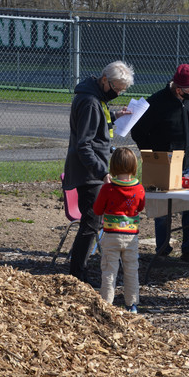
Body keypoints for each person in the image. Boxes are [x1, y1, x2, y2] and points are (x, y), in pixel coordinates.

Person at [63, 60, 134, 284]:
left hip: (93, 171)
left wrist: (113, 115)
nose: (118, 92)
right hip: (89, 174)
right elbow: (84, 144)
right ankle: (77, 275)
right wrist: (102, 171)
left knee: (92, 223)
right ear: (105, 80)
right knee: (91, 223)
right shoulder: (90, 102)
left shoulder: (96, 98)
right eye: (116, 88)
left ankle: (78, 269)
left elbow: (96, 123)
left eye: (122, 90)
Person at [131, 63, 189, 264]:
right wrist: (153, 155)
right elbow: (137, 132)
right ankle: (162, 247)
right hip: (164, 162)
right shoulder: (155, 103)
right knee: (163, 208)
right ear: (178, 89)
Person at [93, 147, 145, 314]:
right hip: (131, 237)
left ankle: (107, 304)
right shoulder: (139, 188)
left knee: (109, 270)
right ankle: (132, 304)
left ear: (113, 166)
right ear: (134, 166)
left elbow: (97, 209)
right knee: (131, 270)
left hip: (111, 236)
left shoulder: (108, 189)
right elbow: (141, 206)